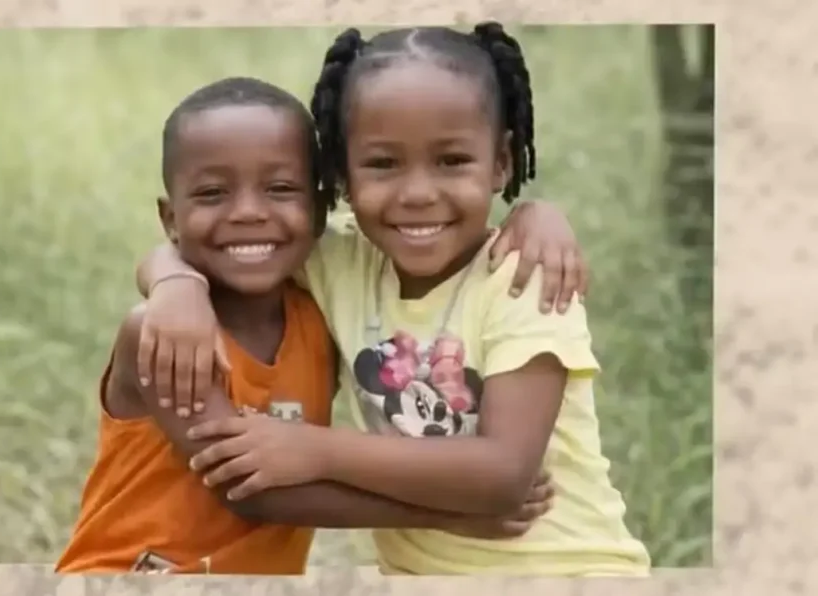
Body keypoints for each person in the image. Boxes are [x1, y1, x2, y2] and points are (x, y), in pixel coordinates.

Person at [134, 24, 652, 576]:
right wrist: (173, 283)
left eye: (452, 161)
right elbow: (225, 242)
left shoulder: (525, 278)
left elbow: (504, 473)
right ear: (339, 176)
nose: (418, 194)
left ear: (501, 162)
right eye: (383, 164)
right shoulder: (344, 265)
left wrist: (316, 449)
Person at [55, 76, 559, 576]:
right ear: (170, 219)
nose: (248, 213)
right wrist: (455, 514)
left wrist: (535, 215)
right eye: (212, 193)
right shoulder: (160, 332)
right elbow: (253, 491)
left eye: (280, 189)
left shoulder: (318, 312)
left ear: (319, 209)